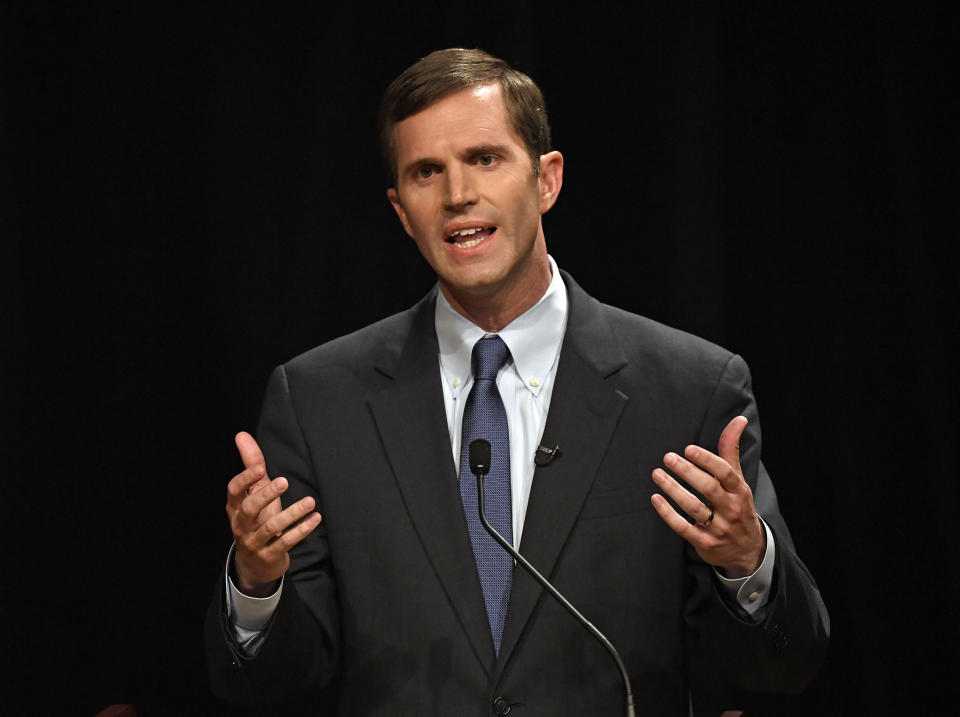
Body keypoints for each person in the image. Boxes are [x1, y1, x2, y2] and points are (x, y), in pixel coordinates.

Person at [205, 48, 829, 716]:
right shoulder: (318, 401)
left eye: (484, 158)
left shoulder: (688, 389)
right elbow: (267, 687)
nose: (457, 195)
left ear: (546, 180)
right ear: (400, 210)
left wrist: (745, 561)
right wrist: (257, 586)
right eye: (426, 172)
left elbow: (784, 668)